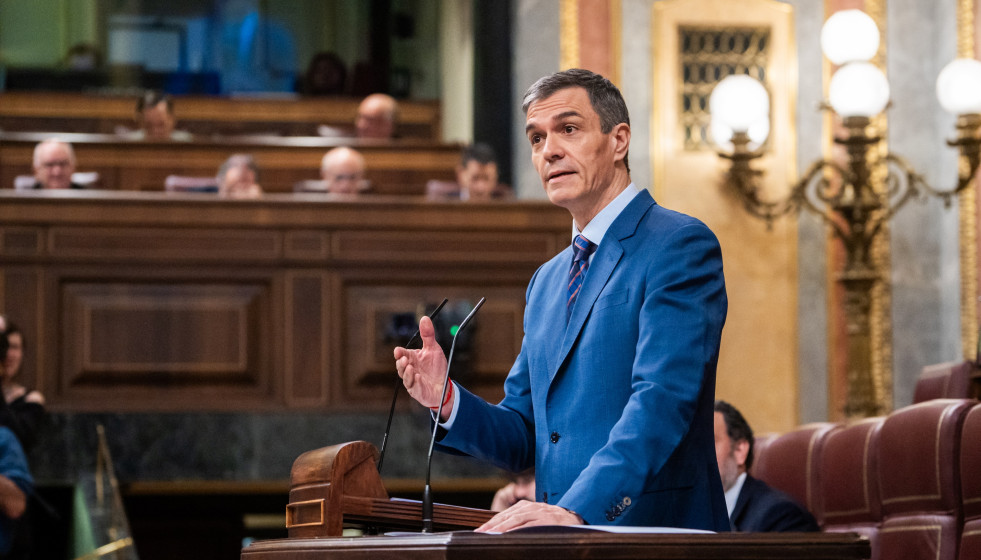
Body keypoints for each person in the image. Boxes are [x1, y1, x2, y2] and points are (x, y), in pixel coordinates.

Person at [394, 69, 729, 532]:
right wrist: (447, 399)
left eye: (568, 129)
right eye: (536, 138)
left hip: (656, 538)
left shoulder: (679, 244)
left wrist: (578, 509)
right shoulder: (547, 281)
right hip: (562, 542)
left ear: (618, 140)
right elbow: (524, 434)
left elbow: (662, 400)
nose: (548, 150)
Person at [714, 400, 819, 532]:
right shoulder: (693, 513)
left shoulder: (781, 517)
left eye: (707, 443)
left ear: (739, 450)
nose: (696, 455)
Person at [0, 322, 45, 453]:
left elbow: (21, 438)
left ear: (22, 353)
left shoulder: (32, 399)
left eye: (14, 347)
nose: (8, 354)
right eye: (3, 347)